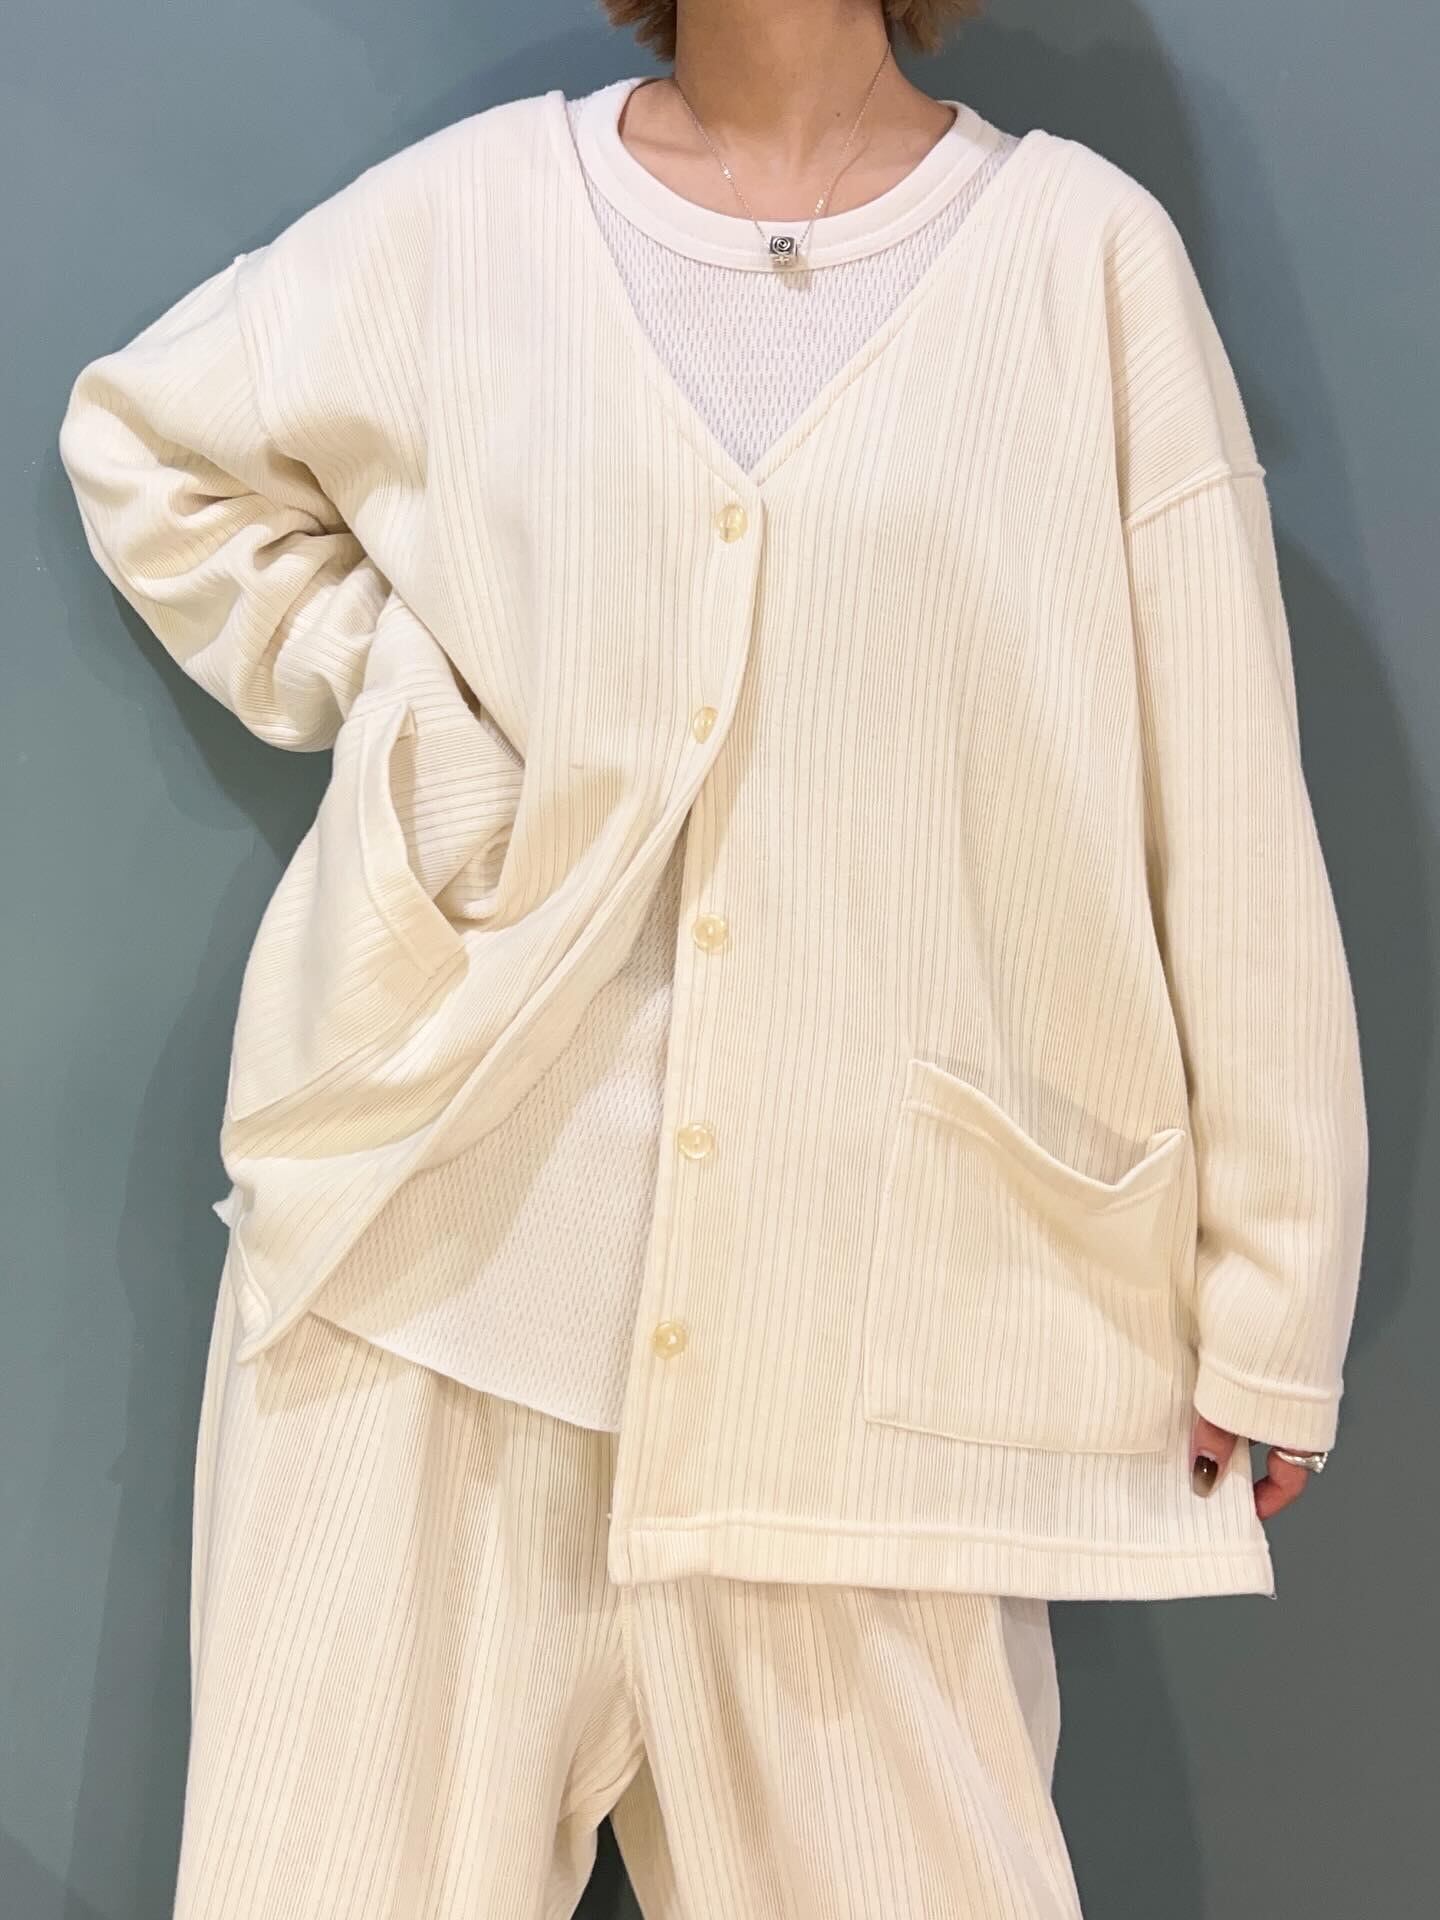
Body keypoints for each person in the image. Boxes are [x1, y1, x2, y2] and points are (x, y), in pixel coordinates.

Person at [56, 1, 1369, 1914]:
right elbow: (148, 442)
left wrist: (1273, 1287)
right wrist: (410, 714)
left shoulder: (1081, 262)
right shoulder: (477, 222)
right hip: (430, 1298)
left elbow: (1228, 780)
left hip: (876, 1350)